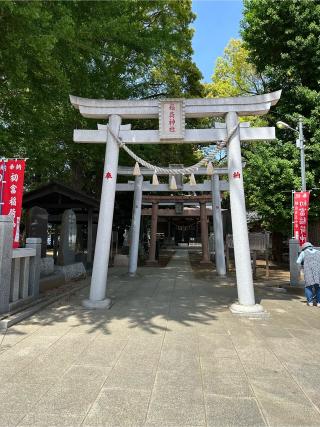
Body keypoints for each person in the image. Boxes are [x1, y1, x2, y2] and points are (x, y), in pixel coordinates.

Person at [297, 242, 320, 307]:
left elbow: (298, 262)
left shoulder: (303, 253)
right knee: (318, 287)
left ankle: (310, 302)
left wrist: (301, 270)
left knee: (308, 287)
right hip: (318, 272)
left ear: (304, 248)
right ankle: (319, 302)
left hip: (308, 272)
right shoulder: (318, 252)